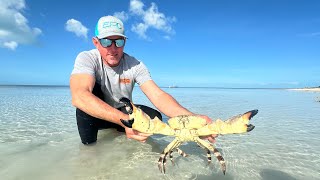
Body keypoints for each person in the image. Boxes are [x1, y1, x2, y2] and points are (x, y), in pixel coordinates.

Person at [70, 15, 217, 145]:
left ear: (124, 42)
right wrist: (125, 120)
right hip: (97, 117)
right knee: (87, 105)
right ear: (96, 42)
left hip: (123, 112)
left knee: (155, 118)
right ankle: (93, 147)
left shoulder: (135, 65)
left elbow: (158, 96)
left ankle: (124, 131)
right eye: (107, 42)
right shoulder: (87, 58)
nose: (113, 48)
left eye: (119, 42)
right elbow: (79, 96)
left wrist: (192, 120)